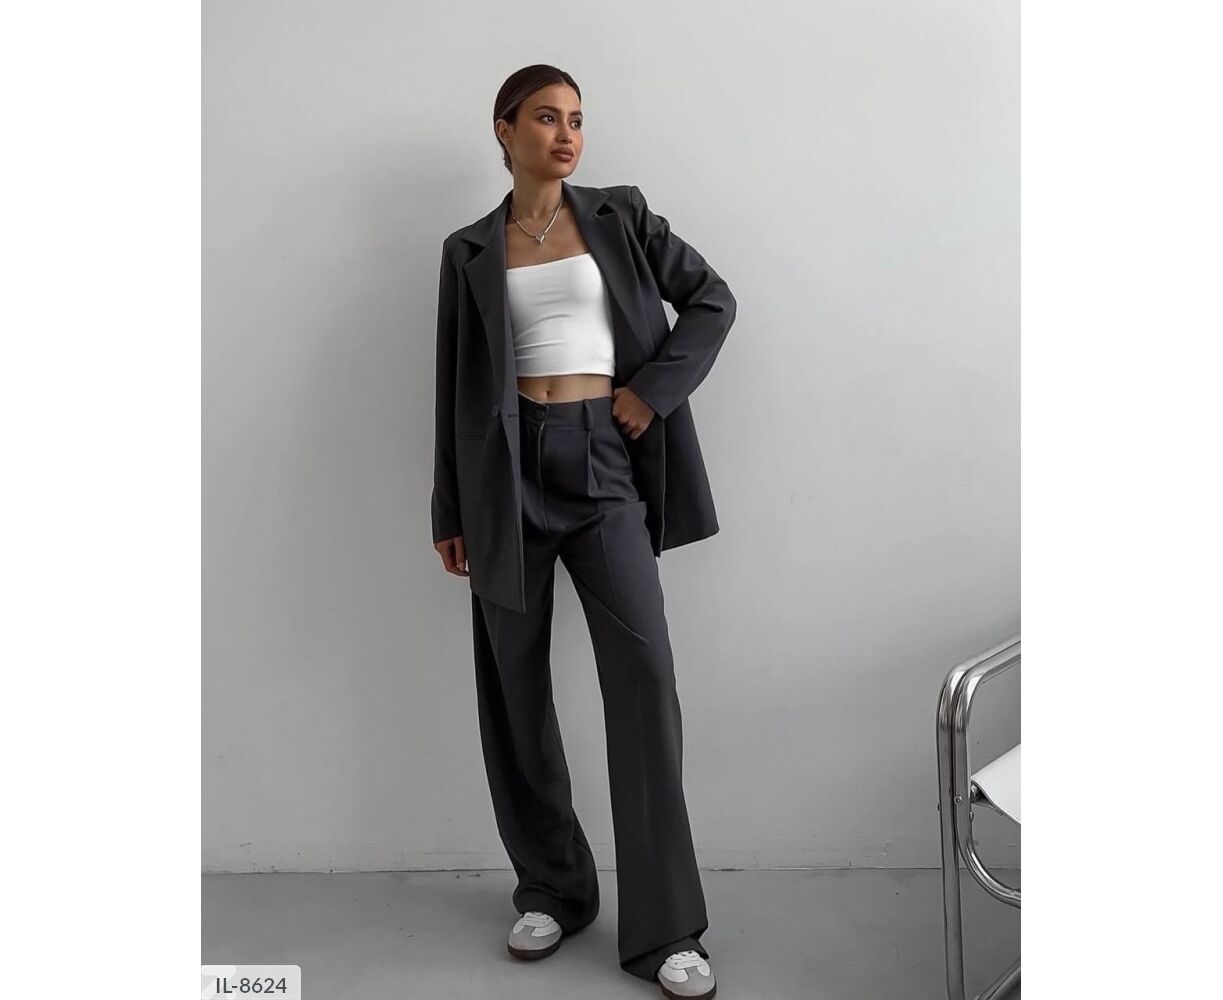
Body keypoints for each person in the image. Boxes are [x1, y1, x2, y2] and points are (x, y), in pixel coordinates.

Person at [431, 63, 736, 1000]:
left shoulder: (620, 216)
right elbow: (452, 384)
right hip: (504, 477)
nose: (566, 134)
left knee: (643, 681)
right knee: (514, 690)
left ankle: (667, 929)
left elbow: (712, 298)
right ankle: (552, 889)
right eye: (545, 118)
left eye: (575, 119)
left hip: (604, 464)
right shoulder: (468, 248)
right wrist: (450, 509)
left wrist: (650, 392)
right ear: (503, 129)